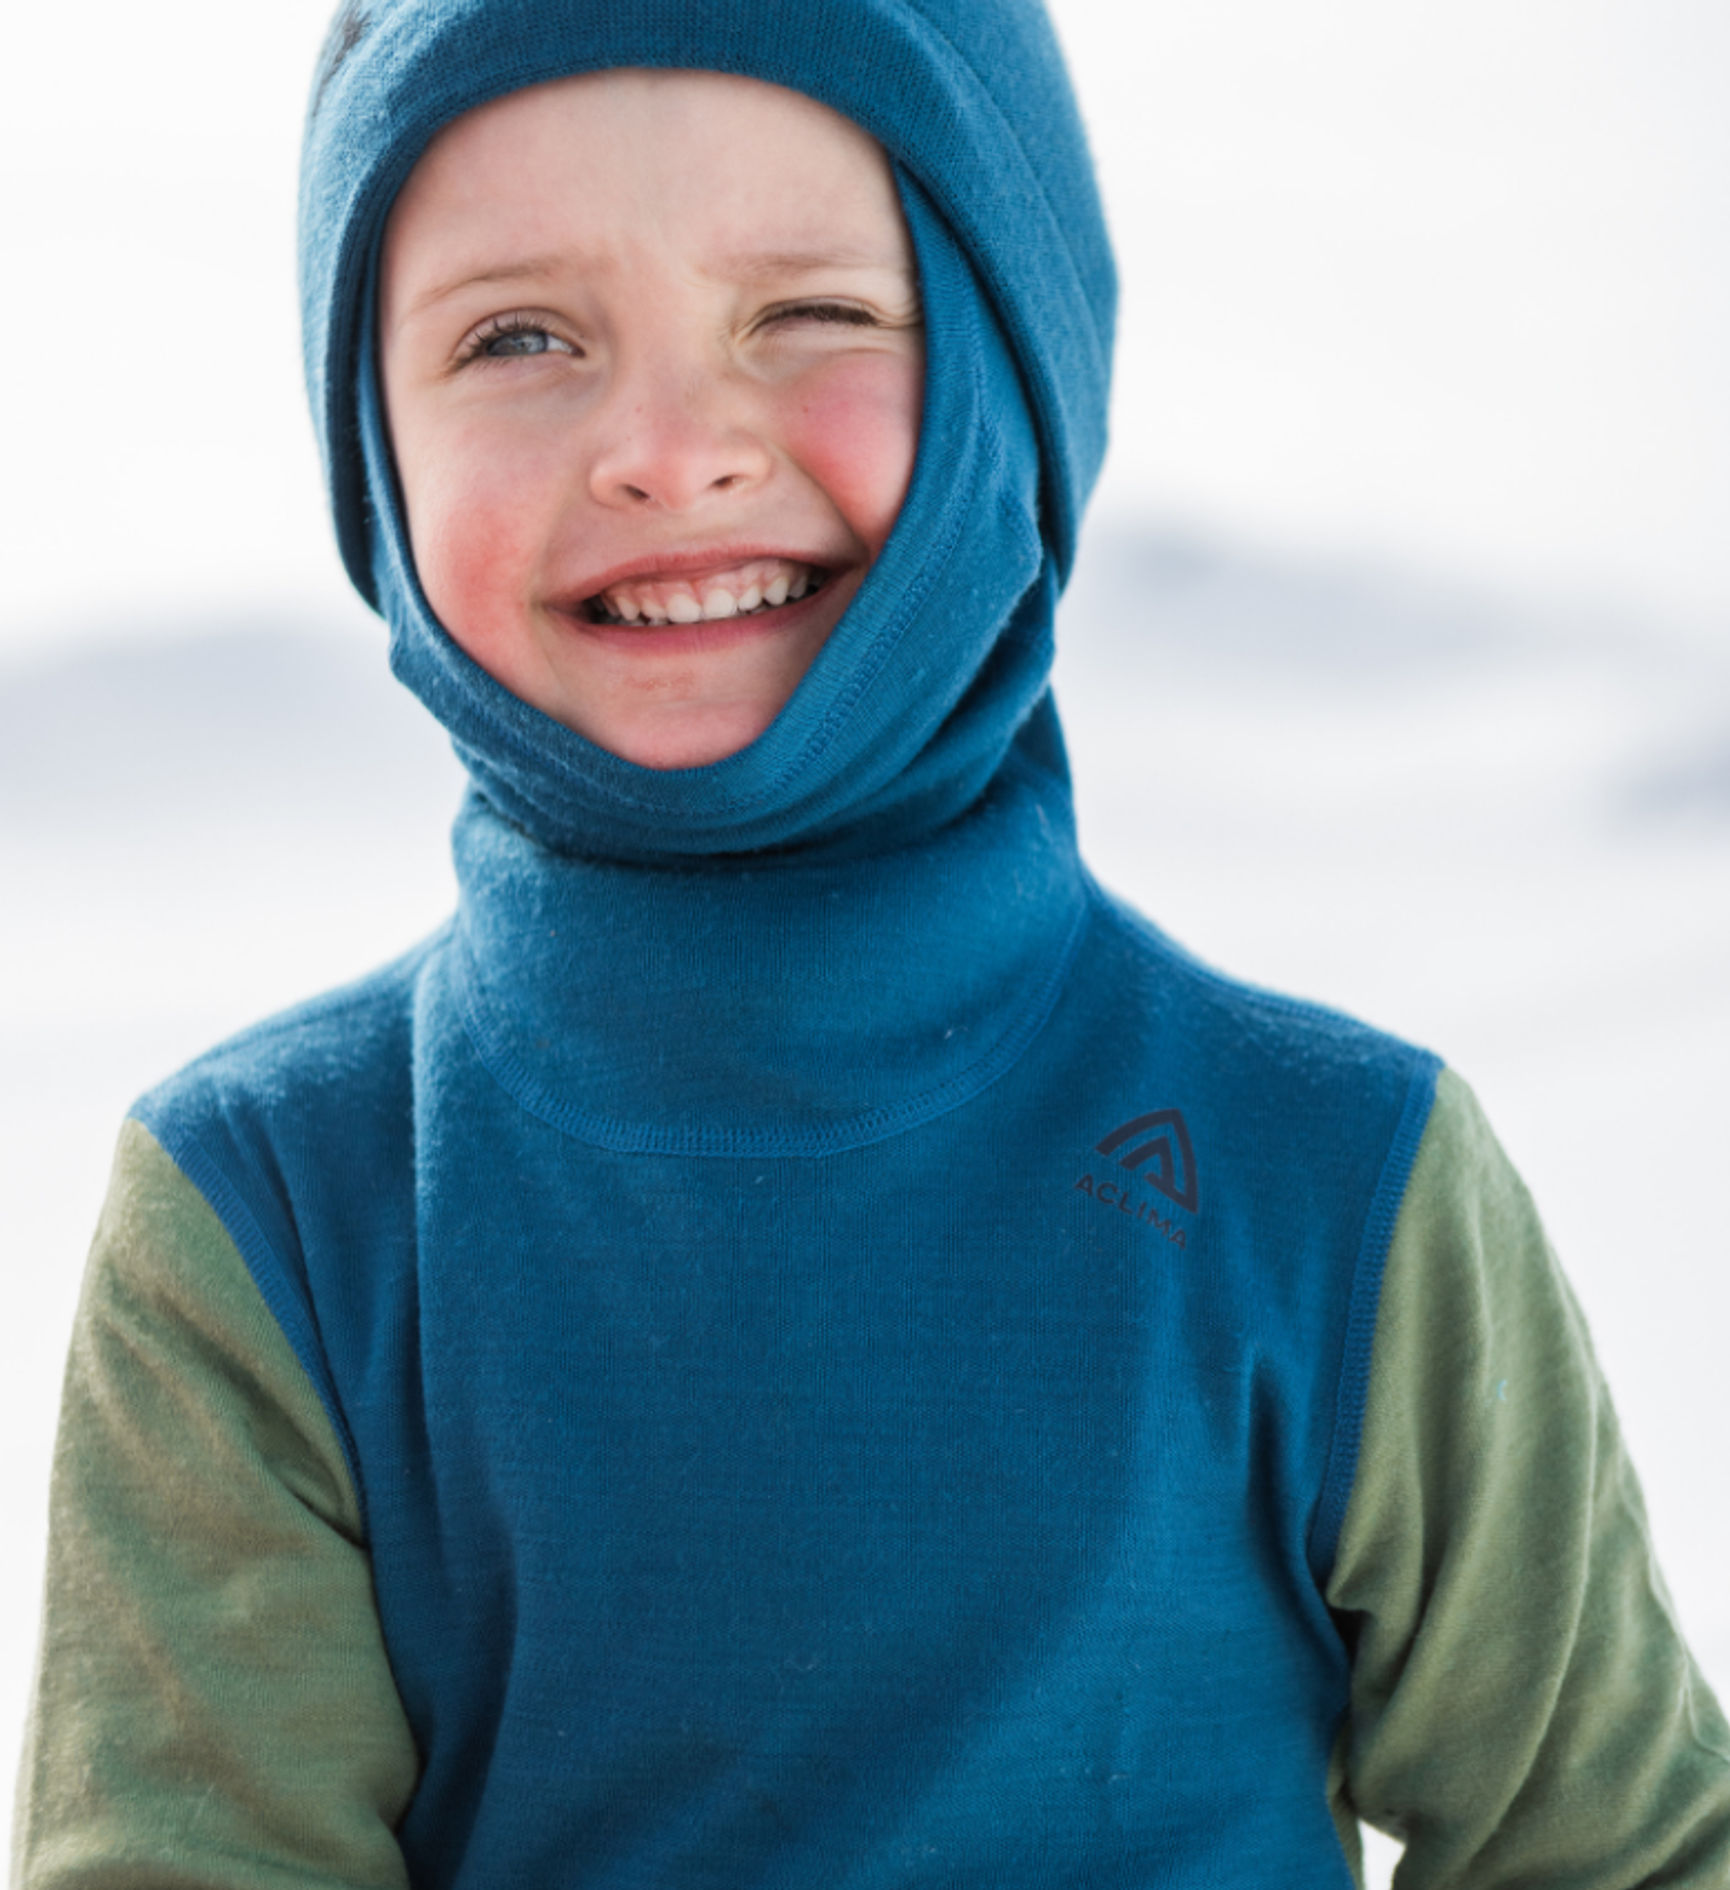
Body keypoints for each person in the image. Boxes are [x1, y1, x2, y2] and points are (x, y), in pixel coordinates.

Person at [14, 0, 1730, 1882]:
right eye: (517, 336)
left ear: (1012, 363)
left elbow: (1624, 1847)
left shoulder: (1333, 1178)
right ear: (370, 441)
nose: (667, 451)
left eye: (809, 313)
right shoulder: (275, 1215)